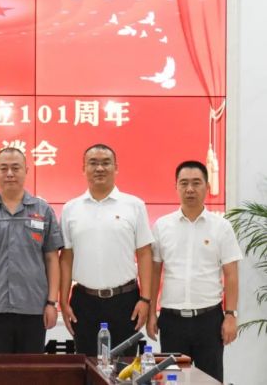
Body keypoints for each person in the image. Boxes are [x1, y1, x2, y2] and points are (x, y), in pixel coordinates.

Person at [147, 160, 241, 382]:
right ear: (176, 187)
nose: (190, 189)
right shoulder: (162, 226)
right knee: (172, 380)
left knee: (210, 380)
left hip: (209, 320)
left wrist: (230, 315)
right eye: (184, 183)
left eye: (196, 183)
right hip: (172, 320)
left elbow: (231, 274)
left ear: (207, 187)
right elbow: (154, 272)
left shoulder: (221, 227)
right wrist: (151, 313)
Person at [59, 144, 153, 356]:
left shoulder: (134, 205)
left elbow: (144, 253)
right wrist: (62, 301)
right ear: (84, 169)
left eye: (106, 163)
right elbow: (66, 257)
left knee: (124, 367)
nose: (99, 168)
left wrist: (146, 299)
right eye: (93, 163)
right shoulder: (71, 209)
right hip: (84, 301)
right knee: (88, 366)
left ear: (116, 167)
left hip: (125, 301)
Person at [0, 147, 62, 354]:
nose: (9, 173)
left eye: (15, 168)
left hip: (34, 307)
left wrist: (51, 303)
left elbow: (52, 258)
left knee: (31, 370)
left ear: (26, 171)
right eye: (3, 168)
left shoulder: (43, 210)